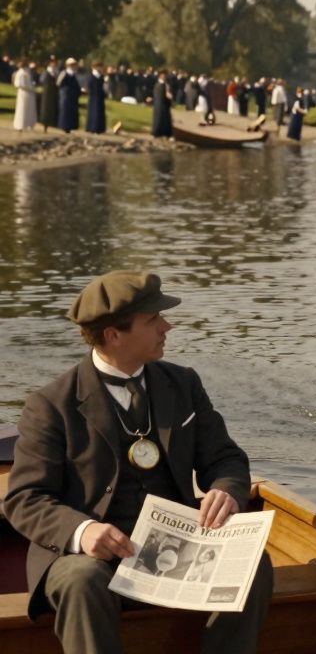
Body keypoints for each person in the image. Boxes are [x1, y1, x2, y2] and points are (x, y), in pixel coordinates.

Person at [2, 270, 273, 654]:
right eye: (153, 320)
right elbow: (24, 499)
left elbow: (225, 458)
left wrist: (226, 489)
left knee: (253, 564)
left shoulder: (183, 383)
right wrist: (83, 532)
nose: (168, 325)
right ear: (114, 334)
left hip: (175, 548)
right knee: (83, 580)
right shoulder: (50, 405)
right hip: (89, 558)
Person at [12, 58, 38, 132]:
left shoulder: (27, 72)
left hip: (29, 93)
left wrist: (31, 86)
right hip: (23, 93)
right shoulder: (20, 73)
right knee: (21, 108)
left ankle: (28, 124)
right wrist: (28, 87)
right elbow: (18, 84)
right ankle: (19, 125)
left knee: (29, 109)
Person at [56, 58, 81, 133]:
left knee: (71, 112)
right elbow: (58, 83)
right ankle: (64, 127)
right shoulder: (64, 73)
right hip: (65, 95)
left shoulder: (73, 74)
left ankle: (70, 127)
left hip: (72, 96)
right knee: (65, 112)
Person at [86, 62, 107, 134]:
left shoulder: (101, 77)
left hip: (100, 96)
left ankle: (99, 128)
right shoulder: (92, 76)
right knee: (94, 112)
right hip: (93, 97)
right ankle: (92, 128)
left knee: (100, 112)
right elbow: (89, 86)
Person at [39, 59, 60, 132]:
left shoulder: (56, 72)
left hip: (53, 93)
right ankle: (45, 125)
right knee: (45, 109)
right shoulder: (46, 72)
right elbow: (41, 80)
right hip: (47, 93)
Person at [150, 71, 173, 137]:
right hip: (159, 104)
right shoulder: (159, 85)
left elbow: (168, 94)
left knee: (164, 119)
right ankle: (157, 132)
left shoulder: (165, 85)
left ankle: (163, 133)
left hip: (163, 104)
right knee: (158, 119)